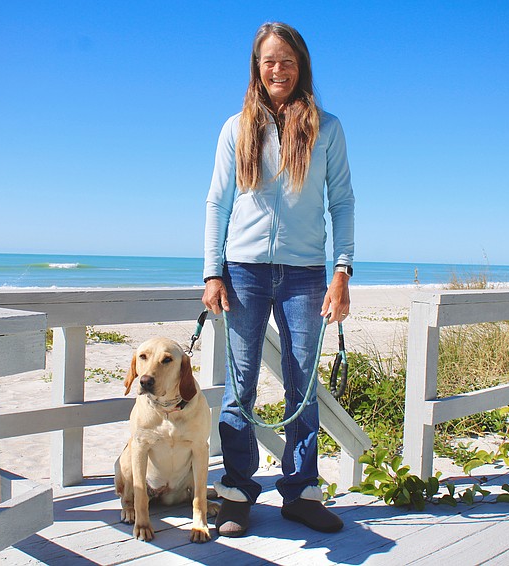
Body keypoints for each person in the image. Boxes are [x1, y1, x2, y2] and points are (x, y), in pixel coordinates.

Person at [202, 22, 355, 538]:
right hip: (242, 270)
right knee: (240, 385)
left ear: (301, 66)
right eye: (268, 61)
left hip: (307, 272)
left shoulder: (327, 128)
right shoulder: (235, 128)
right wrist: (212, 272)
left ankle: (301, 492)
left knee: (301, 382)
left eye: (286, 61)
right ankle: (237, 492)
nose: (277, 70)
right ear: (256, 67)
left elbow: (342, 203)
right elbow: (217, 204)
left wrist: (342, 271)